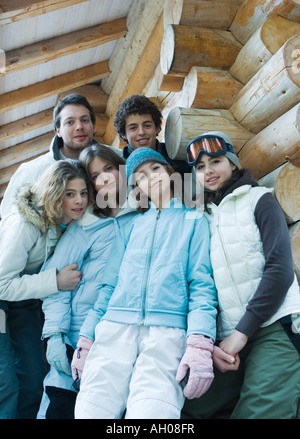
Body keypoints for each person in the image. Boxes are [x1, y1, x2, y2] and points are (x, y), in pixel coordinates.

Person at [73, 147, 218, 419]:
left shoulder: (194, 220)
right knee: (91, 410)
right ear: (137, 187)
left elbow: (202, 287)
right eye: (141, 176)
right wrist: (87, 336)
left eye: (156, 169)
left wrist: (200, 341)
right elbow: (109, 286)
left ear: (169, 173)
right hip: (115, 329)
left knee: (153, 412)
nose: (151, 177)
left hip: (167, 333)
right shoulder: (128, 226)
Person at [182, 131, 300, 419]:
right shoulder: (202, 217)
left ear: (233, 163)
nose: (208, 170)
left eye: (216, 161)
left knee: (259, 412)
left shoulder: (259, 200)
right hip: (228, 339)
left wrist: (241, 333)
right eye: (200, 167)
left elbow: (280, 270)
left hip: (276, 326)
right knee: (183, 407)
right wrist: (219, 340)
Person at [37, 144, 137, 419]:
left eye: (109, 169)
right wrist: (55, 333)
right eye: (95, 175)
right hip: (75, 333)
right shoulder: (86, 224)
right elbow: (57, 282)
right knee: (63, 409)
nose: (105, 178)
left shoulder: (143, 216)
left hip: (120, 335)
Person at [0, 160, 90, 419]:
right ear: (54, 194)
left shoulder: (63, 224)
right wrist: (56, 282)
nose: (79, 201)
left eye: (83, 193)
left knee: (34, 374)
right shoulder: (24, 225)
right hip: (2, 301)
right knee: (5, 380)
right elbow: (2, 284)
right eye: (69, 194)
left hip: (22, 300)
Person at [0, 93, 98, 218]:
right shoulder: (31, 170)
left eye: (84, 120)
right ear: (58, 131)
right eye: (70, 122)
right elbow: (8, 215)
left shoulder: (115, 160)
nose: (79, 127)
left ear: (94, 127)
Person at [114, 94, 191, 178]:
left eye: (147, 125)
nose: (141, 132)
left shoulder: (177, 157)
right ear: (123, 134)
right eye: (133, 128)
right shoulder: (118, 167)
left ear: (157, 127)